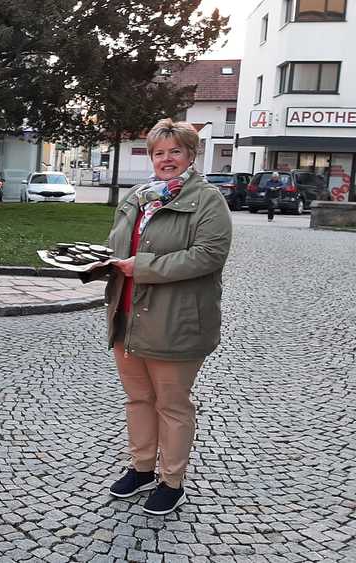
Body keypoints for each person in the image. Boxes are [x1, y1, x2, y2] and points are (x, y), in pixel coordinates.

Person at [102, 118, 232, 515]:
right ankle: (142, 468)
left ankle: (171, 481)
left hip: (176, 320)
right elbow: (117, 243)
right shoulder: (138, 196)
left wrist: (142, 267)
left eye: (175, 151)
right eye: (159, 152)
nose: (166, 158)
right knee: (138, 399)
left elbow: (209, 255)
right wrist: (101, 262)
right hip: (126, 316)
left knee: (172, 406)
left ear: (191, 155)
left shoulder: (207, 199)